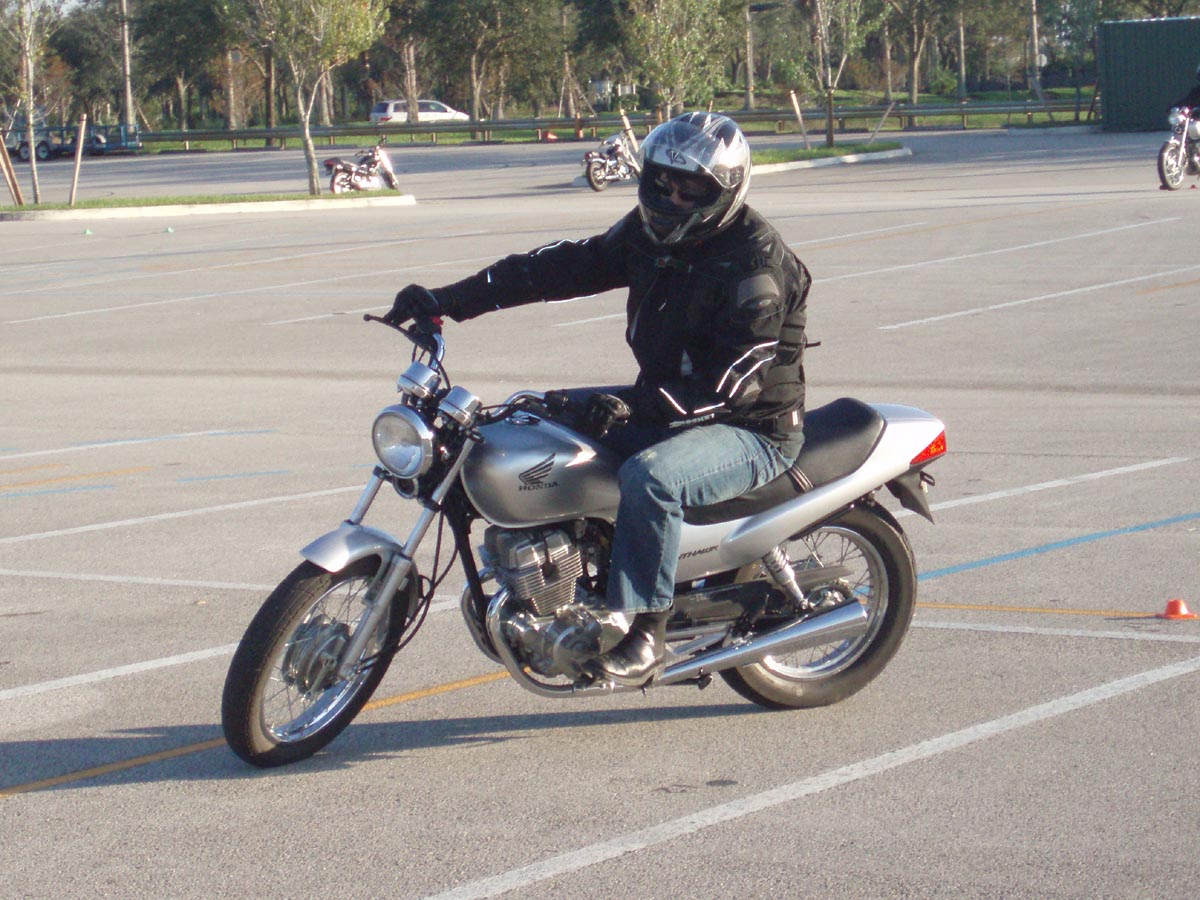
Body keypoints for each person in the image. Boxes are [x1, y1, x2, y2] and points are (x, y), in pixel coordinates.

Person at [384, 112, 812, 686]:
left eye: (690, 190)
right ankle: (571, 578)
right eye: (663, 182)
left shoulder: (755, 266)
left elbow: (734, 385)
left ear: (725, 192)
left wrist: (637, 407)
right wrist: (447, 301)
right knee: (533, 417)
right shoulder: (649, 234)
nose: (672, 198)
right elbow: (559, 268)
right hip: (671, 401)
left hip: (752, 428)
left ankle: (646, 631)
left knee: (651, 477)